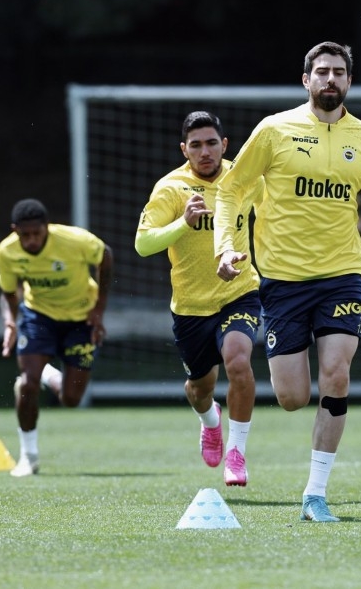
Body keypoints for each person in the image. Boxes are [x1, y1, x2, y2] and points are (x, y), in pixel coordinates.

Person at [214, 41, 361, 522]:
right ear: (306, 80)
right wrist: (224, 247)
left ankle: (315, 495)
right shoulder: (274, 130)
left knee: (337, 374)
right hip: (282, 282)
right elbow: (231, 191)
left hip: (343, 276)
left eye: (338, 72)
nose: (330, 80)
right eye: (321, 72)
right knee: (292, 397)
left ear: (349, 81)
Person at [135, 111, 263, 487]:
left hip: (239, 291)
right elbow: (143, 244)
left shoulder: (243, 178)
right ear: (184, 149)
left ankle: (237, 454)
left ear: (224, 145)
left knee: (238, 361)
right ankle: (210, 421)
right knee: (199, 388)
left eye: (211, 143)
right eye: (196, 145)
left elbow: (277, 208)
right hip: (191, 306)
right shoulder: (171, 188)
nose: (204, 151)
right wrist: (182, 224)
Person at [0, 198, 113, 477]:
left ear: (46, 227)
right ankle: (28, 456)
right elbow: (9, 292)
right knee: (28, 383)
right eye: (25, 235)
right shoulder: (7, 251)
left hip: (81, 319)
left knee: (71, 399)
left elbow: (105, 255)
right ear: (15, 230)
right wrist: (10, 322)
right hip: (39, 317)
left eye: (37, 233)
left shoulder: (74, 240)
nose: (32, 240)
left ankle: (48, 375)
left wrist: (99, 309)